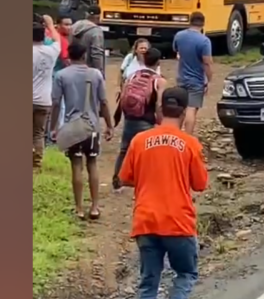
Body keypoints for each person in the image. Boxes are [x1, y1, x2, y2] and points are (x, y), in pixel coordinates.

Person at [118, 87, 209, 299]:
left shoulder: (139, 140)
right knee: (187, 273)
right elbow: (200, 184)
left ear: (159, 110)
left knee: (148, 283)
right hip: (178, 221)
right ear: (183, 112)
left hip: (145, 220)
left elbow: (125, 177)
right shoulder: (190, 144)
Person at [50, 42, 113, 220]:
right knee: (92, 164)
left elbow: (55, 103)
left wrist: (54, 127)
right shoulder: (95, 74)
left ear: (69, 56)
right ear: (85, 55)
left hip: (72, 127)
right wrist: (109, 125)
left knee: (76, 165)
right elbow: (104, 102)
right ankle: (94, 207)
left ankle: (78, 208)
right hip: (92, 126)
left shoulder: (61, 75)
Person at [112, 47, 166, 191]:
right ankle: (144, 183)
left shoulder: (133, 75)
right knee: (147, 152)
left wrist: (118, 118)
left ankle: (117, 181)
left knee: (124, 150)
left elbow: (122, 96)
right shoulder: (159, 81)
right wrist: (160, 122)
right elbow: (160, 104)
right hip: (146, 120)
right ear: (158, 62)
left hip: (130, 118)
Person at [172, 12, 213, 134]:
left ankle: (176, 134)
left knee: (180, 109)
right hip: (196, 80)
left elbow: (176, 51)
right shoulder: (204, 41)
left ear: (190, 21)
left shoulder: (179, 36)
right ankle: (187, 137)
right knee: (191, 109)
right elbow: (207, 62)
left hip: (181, 78)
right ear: (203, 23)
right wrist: (209, 80)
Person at [32, 17, 62, 168]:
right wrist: (50, 25)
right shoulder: (51, 52)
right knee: (38, 133)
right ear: (43, 36)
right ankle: (36, 163)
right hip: (44, 100)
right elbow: (58, 40)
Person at [70, 7, 107, 77]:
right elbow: (96, 54)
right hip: (88, 72)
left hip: (71, 68)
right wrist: (100, 73)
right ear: (98, 17)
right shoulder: (96, 31)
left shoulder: (74, 26)